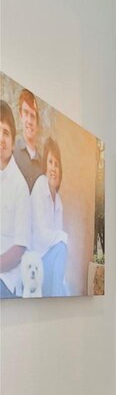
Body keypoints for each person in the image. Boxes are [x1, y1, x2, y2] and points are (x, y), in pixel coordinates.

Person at [0, 100, 31, 298]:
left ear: (13, 142)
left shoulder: (20, 186)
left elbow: (20, 248)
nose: (1, 138)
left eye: (6, 133)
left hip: (5, 281)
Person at [30, 137, 68, 296]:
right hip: (36, 260)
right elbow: (40, 236)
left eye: (57, 164)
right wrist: (63, 237)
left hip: (50, 260)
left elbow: (58, 243)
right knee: (62, 247)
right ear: (45, 165)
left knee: (67, 289)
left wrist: (61, 239)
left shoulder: (58, 202)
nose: (53, 168)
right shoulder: (40, 186)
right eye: (51, 162)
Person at [13, 88, 44, 192]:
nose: (29, 121)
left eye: (33, 116)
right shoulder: (12, 151)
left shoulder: (42, 165)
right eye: (26, 113)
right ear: (21, 115)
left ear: (37, 123)